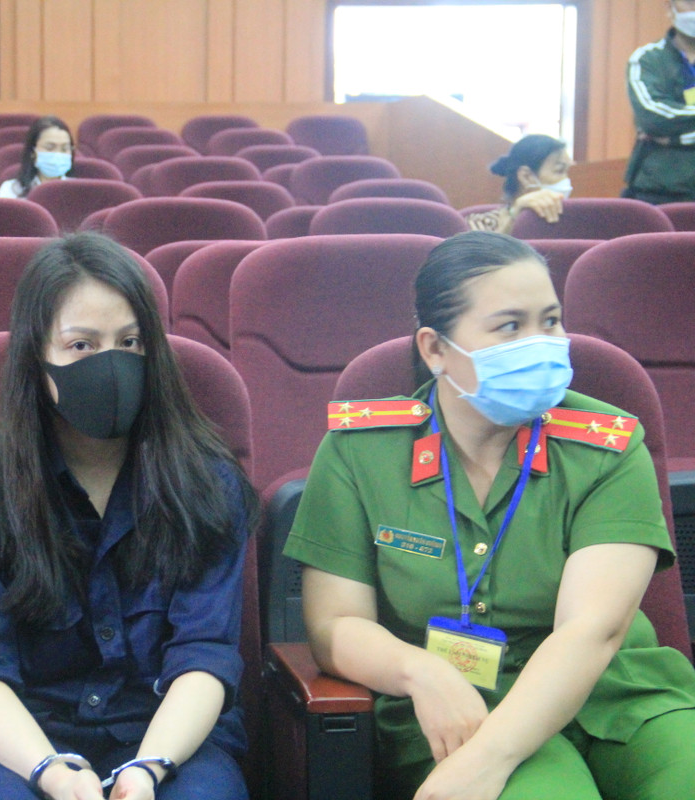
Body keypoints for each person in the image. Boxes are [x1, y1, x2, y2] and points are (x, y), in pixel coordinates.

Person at [284, 231, 695, 800]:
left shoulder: (608, 446)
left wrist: (487, 760)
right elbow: (334, 626)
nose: (541, 343)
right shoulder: (362, 449)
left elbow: (591, 630)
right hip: (457, 700)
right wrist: (421, 672)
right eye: (510, 326)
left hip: (615, 691)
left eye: (551, 321)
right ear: (435, 349)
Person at [0, 233, 257, 800]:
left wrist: (147, 769)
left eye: (130, 342)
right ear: (36, 358)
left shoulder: (207, 482)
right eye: (82, 345)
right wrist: (51, 772)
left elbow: (205, 655)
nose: (111, 364)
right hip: (20, 743)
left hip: (170, 737)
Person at [624, 0, 695, 203]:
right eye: (689, 2)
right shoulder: (647, 59)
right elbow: (652, 118)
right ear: (669, 7)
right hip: (659, 188)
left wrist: (673, 139)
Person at [466, 135, 571, 234]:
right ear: (526, 176)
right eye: (559, 171)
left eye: (567, 172)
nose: (565, 180)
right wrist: (514, 216)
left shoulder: (571, 222)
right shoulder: (482, 223)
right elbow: (483, 248)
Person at [0, 116, 75, 199]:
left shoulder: (77, 189)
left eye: (64, 149)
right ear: (32, 152)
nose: (58, 154)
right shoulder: (12, 190)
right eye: (49, 148)